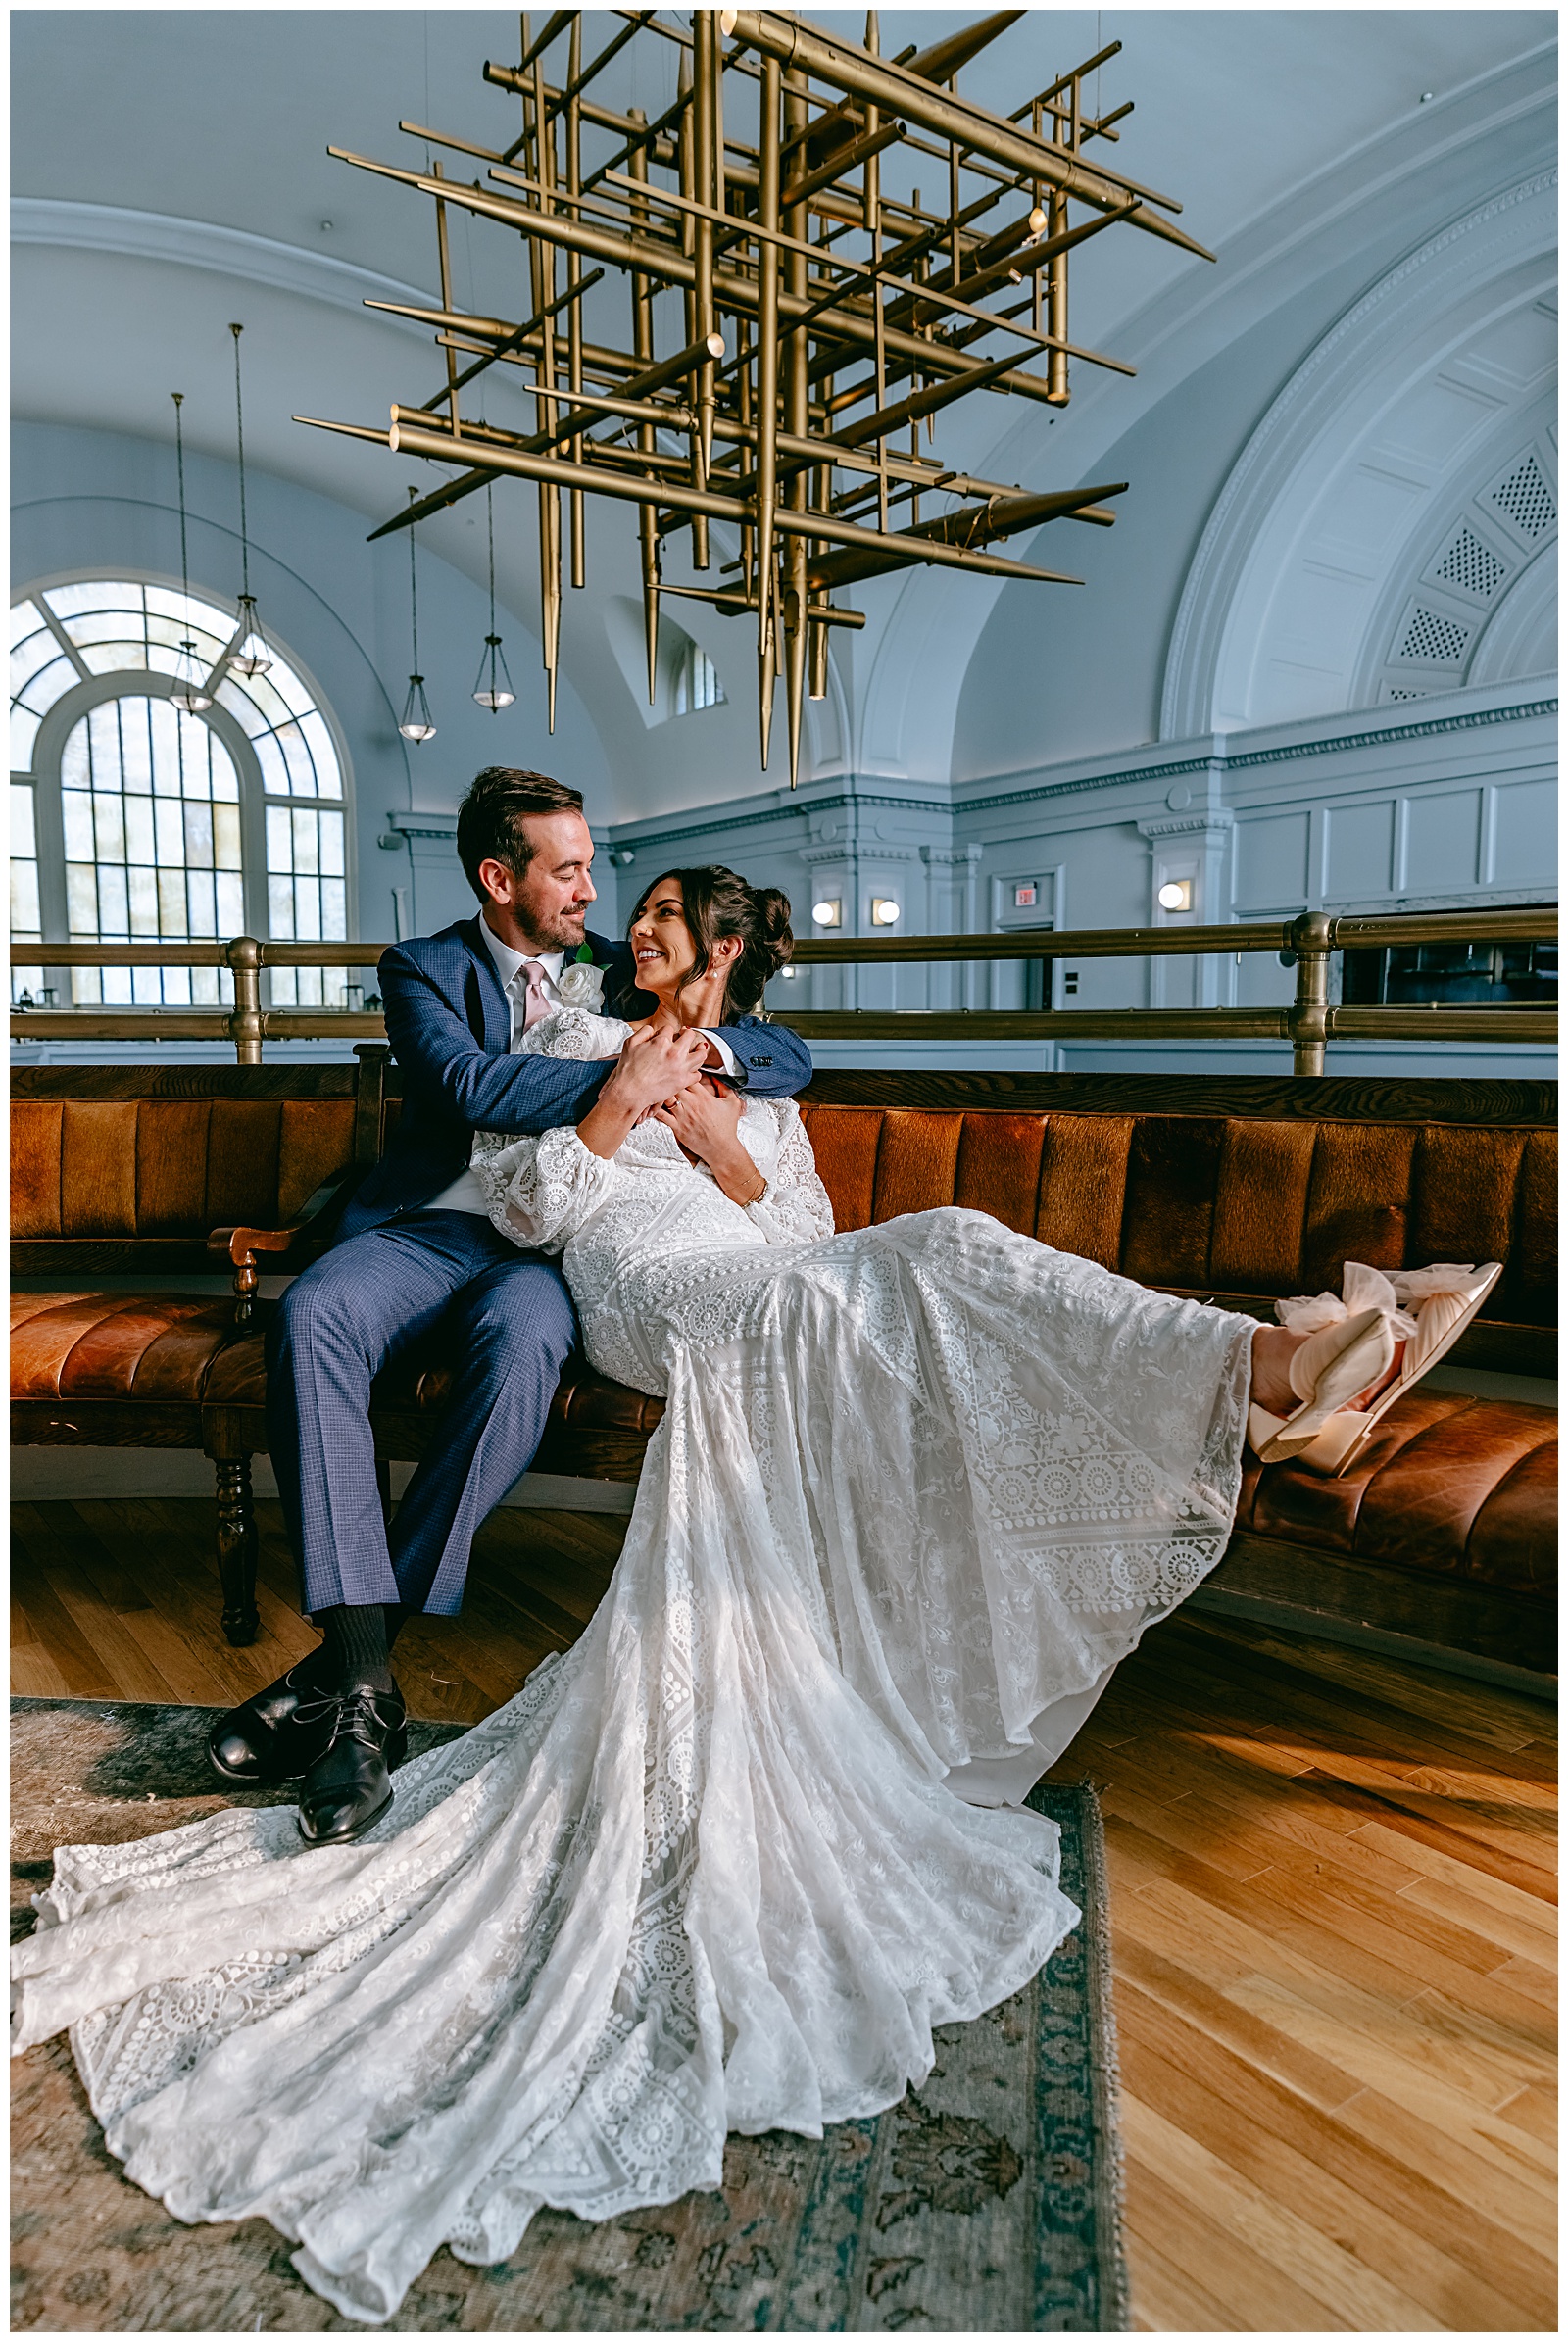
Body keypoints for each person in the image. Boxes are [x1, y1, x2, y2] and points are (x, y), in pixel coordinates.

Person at [12, 869, 1450, 2327]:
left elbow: (808, 1236)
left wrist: (714, 1134)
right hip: (655, 1302)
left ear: (730, 949)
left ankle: (1263, 1386)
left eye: (668, 916)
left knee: (923, 1271)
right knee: (942, 1250)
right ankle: (1268, 1380)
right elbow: (524, 1207)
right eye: (632, 910)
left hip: (781, 1294)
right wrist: (617, 1101)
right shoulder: (578, 1034)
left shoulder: (760, 1087)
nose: (637, 928)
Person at [206, 772, 812, 1847]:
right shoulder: (423, 967)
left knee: (525, 1349)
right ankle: (362, 1691)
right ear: (500, 876)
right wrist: (623, 1075)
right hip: (429, 1228)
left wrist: (702, 1052)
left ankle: (346, 1673)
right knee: (313, 1320)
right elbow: (467, 1088)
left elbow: (780, 1047)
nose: (593, 891)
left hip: (545, 1248)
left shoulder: (616, 966)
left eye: (591, 864)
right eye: (567, 868)